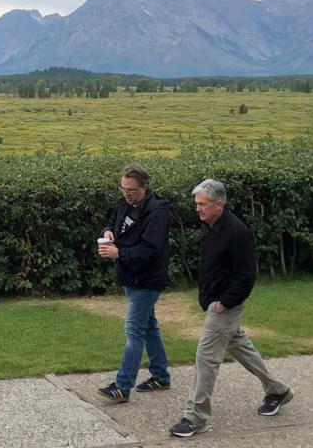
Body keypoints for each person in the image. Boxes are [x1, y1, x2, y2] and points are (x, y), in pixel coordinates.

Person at [169, 179, 294, 438]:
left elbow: (246, 275)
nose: (198, 209)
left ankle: (195, 417)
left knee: (206, 357)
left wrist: (224, 302)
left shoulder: (237, 232)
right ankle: (278, 391)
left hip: (225, 306)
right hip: (213, 302)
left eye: (202, 204)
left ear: (219, 204)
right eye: (196, 204)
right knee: (240, 346)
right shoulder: (210, 226)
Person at [96, 164, 172, 403]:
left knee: (134, 332)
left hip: (147, 279)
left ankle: (122, 386)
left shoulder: (157, 212)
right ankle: (161, 376)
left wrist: (119, 254)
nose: (126, 194)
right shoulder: (124, 205)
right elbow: (112, 223)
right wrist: (108, 232)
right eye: (123, 188)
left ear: (144, 188)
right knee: (148, 326)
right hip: (130, 276)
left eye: (131, 190)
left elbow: (151, 249)